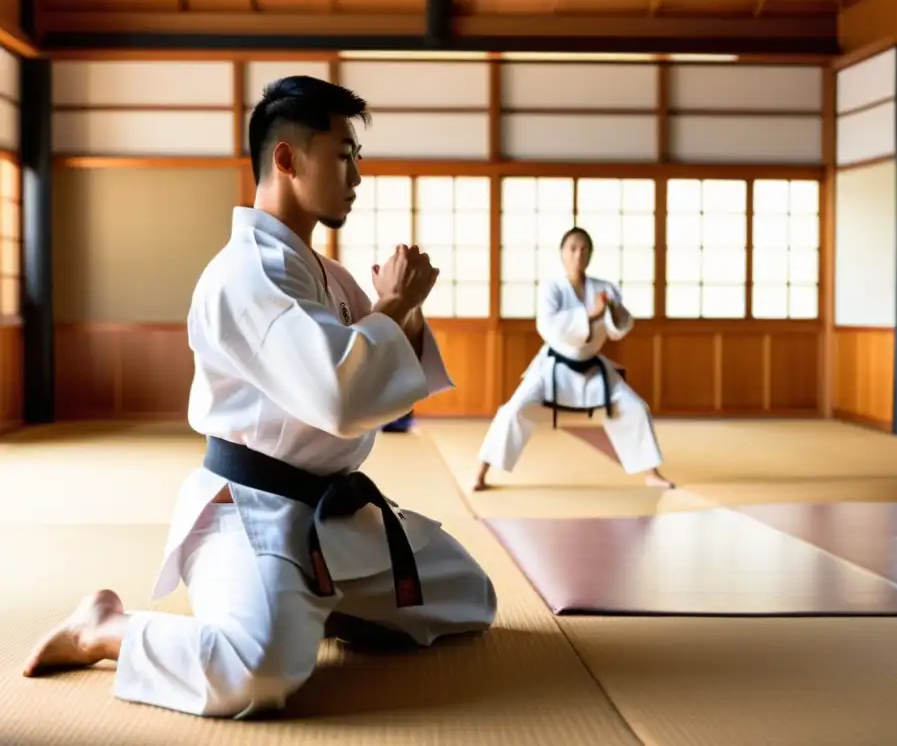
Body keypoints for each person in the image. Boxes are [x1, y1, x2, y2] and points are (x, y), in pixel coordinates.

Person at [22, 75, 497, 718]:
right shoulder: (243, 274)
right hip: (251, 513)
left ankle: (315, 604)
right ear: (286, 158)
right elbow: (341, 395)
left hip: (334, 517)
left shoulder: (326, 274)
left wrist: (399, 313)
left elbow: (386, 385)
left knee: (470, 596)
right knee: (256, 674)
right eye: (343, 155)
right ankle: (105, 628)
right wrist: (394, 305)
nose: (356, 176)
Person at [475, 226, 673, 491]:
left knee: (635, 407)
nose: (578, 254)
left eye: (584, 249)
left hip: (593, 368)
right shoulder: (552, 288)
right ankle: (480, 473)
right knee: (513, 409)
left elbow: (619, 329)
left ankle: (652, 473)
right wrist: (591, 315)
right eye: (572, 248)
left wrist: (613, 309)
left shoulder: (605, 289)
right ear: (562, 254)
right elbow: (548, 326)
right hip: (552, 367)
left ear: (590, 254)